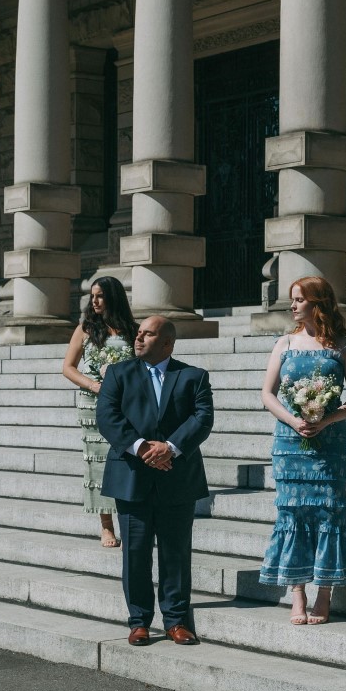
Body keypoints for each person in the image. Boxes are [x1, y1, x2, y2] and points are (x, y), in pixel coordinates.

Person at [96, 315, 214, 647]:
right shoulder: (120, 374)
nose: (139, 338)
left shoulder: (193, 376)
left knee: (176, 552)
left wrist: (171, 448)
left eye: (148, 334)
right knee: (135, 552)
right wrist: (143, 447)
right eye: (139, 333)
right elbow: (107, 416)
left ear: (167, 343)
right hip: (132, 477)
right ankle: (139, 622)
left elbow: (203, 417)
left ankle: (176, 621)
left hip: (178, 478)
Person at [258, 277, 346, 624]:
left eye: (299, 299)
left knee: (329, 514)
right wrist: (294, 420)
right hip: (290, 444)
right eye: (292, 300)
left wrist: (327, 419)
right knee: (292, 516)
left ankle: (324, 594)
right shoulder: (285, 343)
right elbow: (267, 394)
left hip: (330, 443)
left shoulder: (343, 345)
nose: (292, 306)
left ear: (317, 303)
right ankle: (297, 594)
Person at [61, 276, 139, 548]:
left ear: (113, 297)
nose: (94, 301)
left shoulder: (132, 329)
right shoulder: (85, 328)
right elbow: (68, 367)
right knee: (97, 463)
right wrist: (95, 385)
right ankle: (106, 525)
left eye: (100, 296)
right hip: (93, 404)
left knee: (126, 458)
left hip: (127, 405)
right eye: (92, 296)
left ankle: (131, 517)